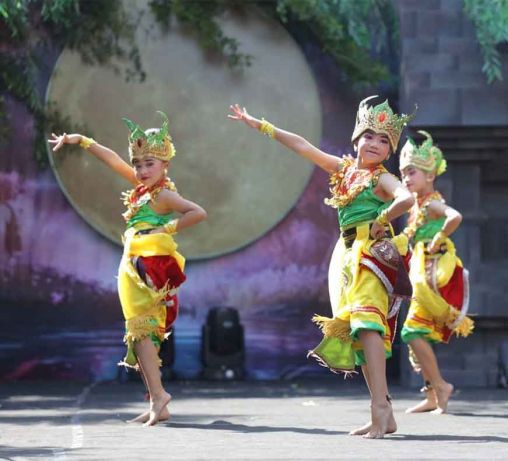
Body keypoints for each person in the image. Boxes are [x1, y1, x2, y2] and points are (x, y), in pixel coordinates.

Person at [228, 96, 415, 438]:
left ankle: (380, 409)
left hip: (371, 254)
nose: (374, 144)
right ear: (356, 139)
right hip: (345, 256)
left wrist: (384, 216)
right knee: (358, 332)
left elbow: (406, 197)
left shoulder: (381, 179)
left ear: (389, 151)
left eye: (383, 140)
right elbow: (302, 145)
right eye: (369, 136)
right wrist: (261, 125)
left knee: (368, 325)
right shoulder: (343, 170)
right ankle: (384, 411)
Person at [48, 112, 207, 426]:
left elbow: (198, 212)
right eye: (138, 164)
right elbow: (110, 159)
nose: (142, 169)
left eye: (150, 163)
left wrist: (166, 230)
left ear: (165, 165)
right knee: (136, 336)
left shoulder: (163, 194)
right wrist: (80, 140)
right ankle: (156, 401)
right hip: (131, 265)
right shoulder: (141, 189)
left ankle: (159, 397)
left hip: (147, 268)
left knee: (140, 332)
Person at [398, 130, 474, 414]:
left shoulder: (431, 203)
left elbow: (455, 216)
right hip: (421, 272)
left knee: (412, 331)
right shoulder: (417, 205)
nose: (407, 179)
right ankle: (432, 394)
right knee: (420, 335)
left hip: (432, 274)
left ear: (429, 176)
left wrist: (439, 236)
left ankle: (441, 386)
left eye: (412, 172)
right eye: (404, 173)